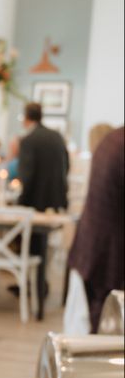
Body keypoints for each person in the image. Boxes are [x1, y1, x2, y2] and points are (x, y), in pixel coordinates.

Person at [67, 126, 124, 332]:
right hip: (109, 258)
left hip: (96, 251)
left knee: (97, 324)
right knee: (103, 329)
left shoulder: (112, 140)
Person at [17, 102, 69, 319]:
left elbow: (26, 175)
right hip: (55, 198)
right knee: (42, 247)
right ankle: (36, 285)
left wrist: (19, 201)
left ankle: (33, 285)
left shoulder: (28, 140)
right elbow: (68, 165)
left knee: (29, 243)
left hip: (34, 202)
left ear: (27, 118)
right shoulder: (57, 136)